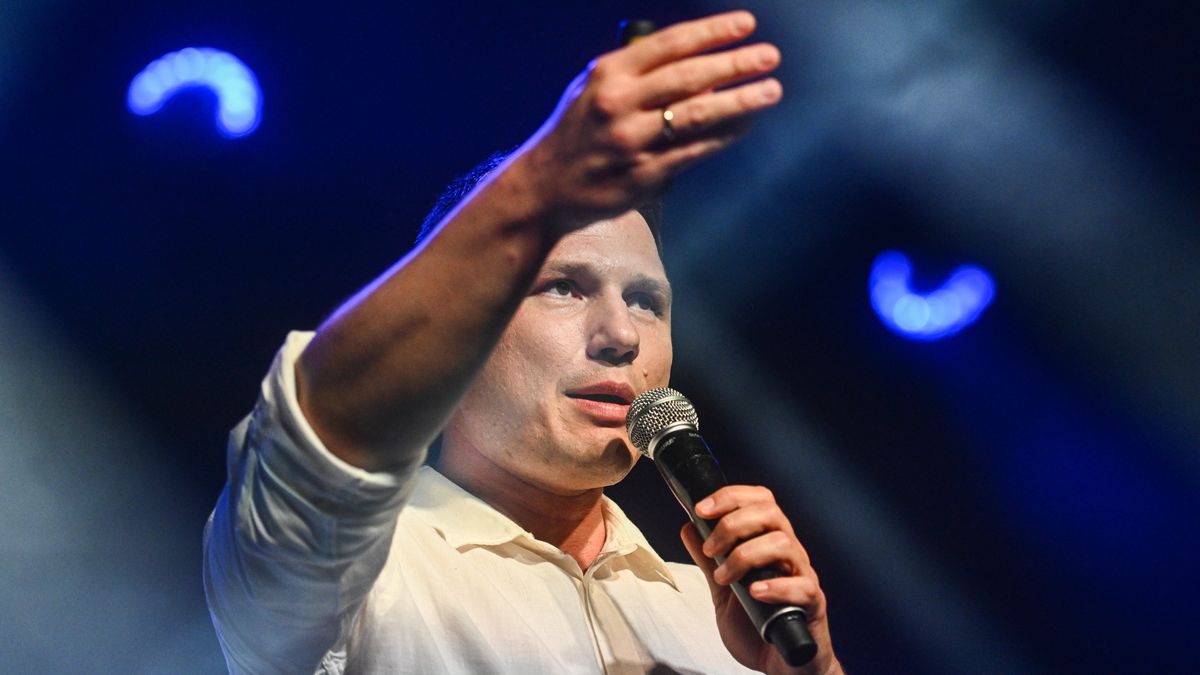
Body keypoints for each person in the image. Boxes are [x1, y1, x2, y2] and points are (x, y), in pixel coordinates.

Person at [204, 11, 843, 675]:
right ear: (457, 331)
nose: (622, 334)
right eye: (564, 287)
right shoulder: (351, 583)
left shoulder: (724, 618)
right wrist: (543, 181)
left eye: (646, 301)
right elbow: (313, 439)